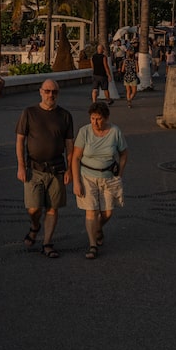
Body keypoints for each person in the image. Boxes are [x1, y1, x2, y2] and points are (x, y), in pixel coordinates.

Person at [16, 79, 74, 259]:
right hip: (34, 168)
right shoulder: (29, 113)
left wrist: (70, 169)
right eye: (47, 91)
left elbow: (69, 145)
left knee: (52, 208)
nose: (51, 95)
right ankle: (35, 226)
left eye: (54, 92)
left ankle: (47, 243)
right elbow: (20, 140)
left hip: (57, 169)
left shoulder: (65, 115)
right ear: (41, 92)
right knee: (33, 208)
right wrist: (21, 166)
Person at [71, 102, 128, 260]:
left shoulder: (115, 131)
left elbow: (124, 154)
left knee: (107, 212)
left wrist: (120, 174)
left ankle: (97, 229)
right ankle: (93, 245)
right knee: (91, 211)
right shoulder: (84, 132)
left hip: (108, 177)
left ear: (106, 118)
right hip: (87, 176)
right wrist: (76, 181)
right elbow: (75, 158)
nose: (95, 122)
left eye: (99, 119)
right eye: (92, 118)